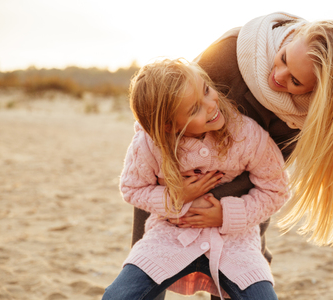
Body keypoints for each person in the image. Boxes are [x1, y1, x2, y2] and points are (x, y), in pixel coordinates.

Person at [132, 11, 333, 300]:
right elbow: (156, 111)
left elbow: (266, 183)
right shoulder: (229, 53)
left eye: (295, 82)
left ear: (318, 92)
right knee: (146, 271)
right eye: (283, 58)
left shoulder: (306, 118)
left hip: (240, 202)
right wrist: (175, 188)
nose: (277, 76)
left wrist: (224, 214)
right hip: (171, 179)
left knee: (240, 271)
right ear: (291, 37)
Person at [102, 58, 288, 300]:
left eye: (207, 91)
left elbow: (277, 190)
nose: (211, 105)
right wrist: (175, 197)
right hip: (168, 238)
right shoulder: (149, 144)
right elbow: (132, 188)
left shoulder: (247, 135)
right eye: (194, 109)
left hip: (235, 244)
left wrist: (227, 214)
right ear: (169, 125)